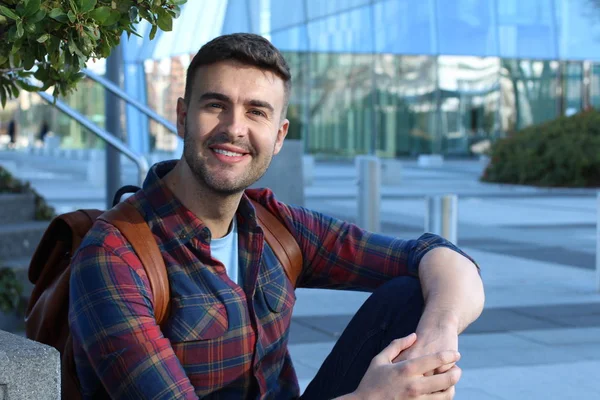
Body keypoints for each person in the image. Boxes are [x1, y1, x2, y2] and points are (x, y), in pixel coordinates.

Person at [69, 33, 484, 399]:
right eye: (216, 105)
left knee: (412, 295)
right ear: (182, 117)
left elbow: (442, 257)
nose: (234, 128)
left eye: (256, 112)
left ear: (279, 135)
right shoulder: (113, 257)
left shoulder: (274, 226)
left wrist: (437, 337)